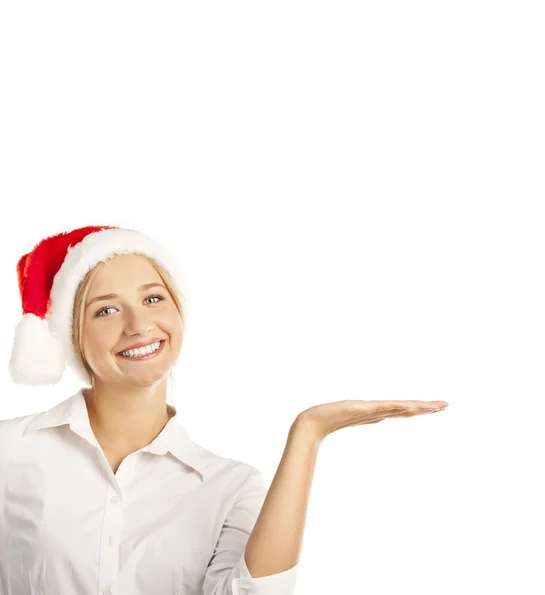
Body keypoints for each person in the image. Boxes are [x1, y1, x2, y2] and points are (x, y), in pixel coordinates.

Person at [0, 224, 448, 595]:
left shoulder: (230, 488)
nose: (139, 325)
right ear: (71, 336)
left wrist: (308, 433)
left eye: (153, 298)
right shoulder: (10, 452)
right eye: (106, 311)